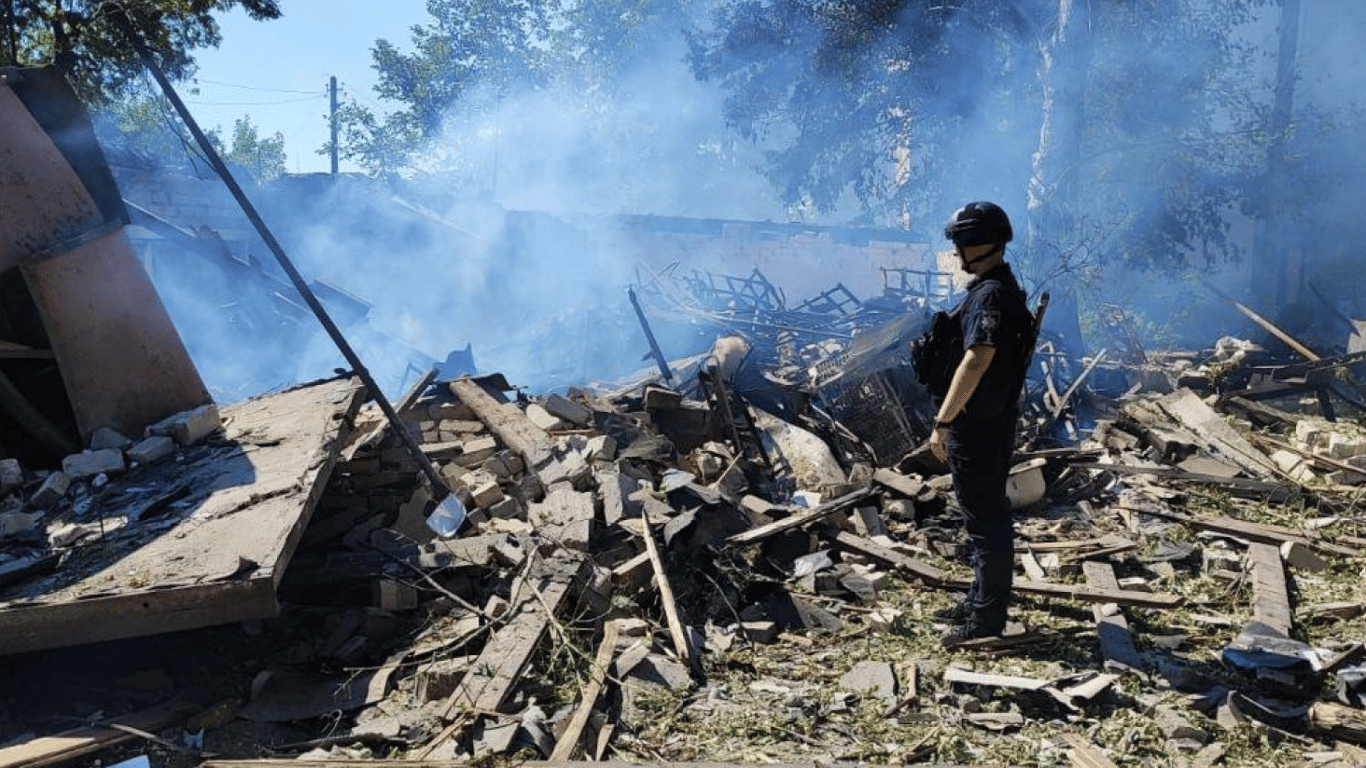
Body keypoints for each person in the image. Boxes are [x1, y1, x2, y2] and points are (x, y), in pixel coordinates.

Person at [925, 201, 1033, 648]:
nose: (955, 253)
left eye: (959, 244)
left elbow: (977, 358)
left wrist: (943, 421)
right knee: (982, 519)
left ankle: (985, 622)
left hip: (978, 426)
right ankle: (979, 601)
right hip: (992, 420)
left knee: (986, 523)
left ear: (978, 244)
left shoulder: (990, 294)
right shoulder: (1000, 289)